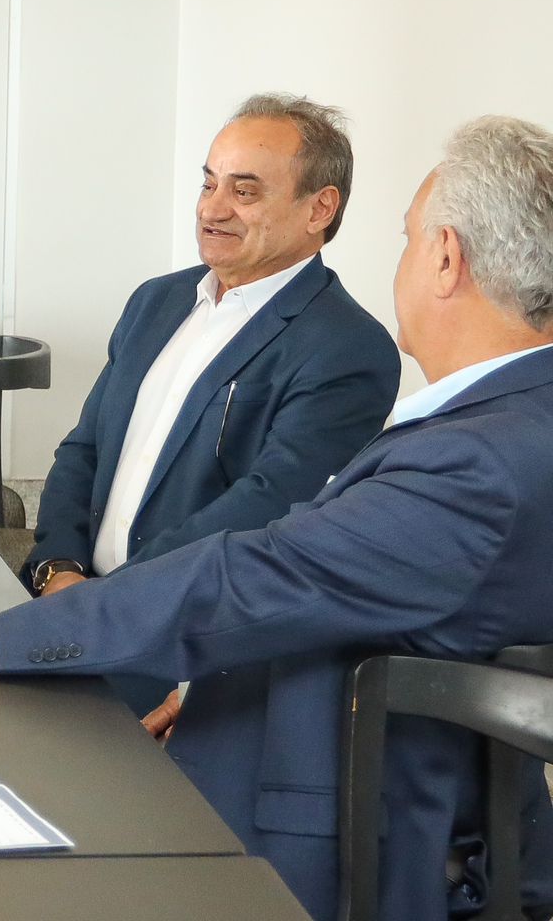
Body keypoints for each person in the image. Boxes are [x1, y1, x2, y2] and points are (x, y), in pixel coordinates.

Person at [0, 116, 553, 920]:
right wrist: (209, 681)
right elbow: (345, 592)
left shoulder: (476, 461)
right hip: (244, 708)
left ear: (446, 257)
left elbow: (258, 570)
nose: (214, 206)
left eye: (408, 240)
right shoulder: (508, 424)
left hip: (314, 837)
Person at [23, 95, 400, 714]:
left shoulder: (347, 348)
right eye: (208, 183)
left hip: (180, 653)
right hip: (68, 611)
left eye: (244, 191)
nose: (212, 209)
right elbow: (85, 448)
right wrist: (58, 569)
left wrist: (101, 607)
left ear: (320, 208)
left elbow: (268, 507)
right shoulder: (156, 302)